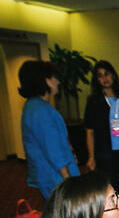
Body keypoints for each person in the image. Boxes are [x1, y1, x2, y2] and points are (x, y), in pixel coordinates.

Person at [18, 60, 80, 199]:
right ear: (45, 80)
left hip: (47, 174)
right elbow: (53, 149)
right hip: (55, 176)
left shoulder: (32, 106)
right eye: (55, 78)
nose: (58, 82)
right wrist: (67, 179)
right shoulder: (41, 110)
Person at [84, 60, 119, 191]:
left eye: (107, 74)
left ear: (113, 74)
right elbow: (89, 132)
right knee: (110, 187)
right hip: (105, 153)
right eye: (100, 75)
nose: (104, 78)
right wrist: (91, 157)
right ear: (97, 80)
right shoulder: (93, 102)